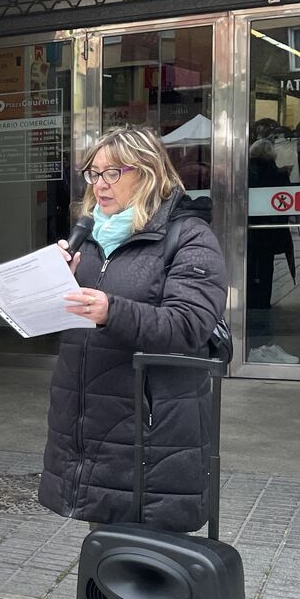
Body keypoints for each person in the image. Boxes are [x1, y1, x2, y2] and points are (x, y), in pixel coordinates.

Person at [40, 126, 227, 534]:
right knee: (106, 566)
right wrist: (55, 284)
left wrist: (111, 311)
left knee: (152, 570)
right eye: (93, 173)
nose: (99, 185)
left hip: (152, 432)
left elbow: (190, 324)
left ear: (147, 173)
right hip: (92, 429)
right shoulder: (88, 240)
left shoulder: (189, 237)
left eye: (112, 173)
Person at [246, 137, 297, 364]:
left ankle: (255, 332)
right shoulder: (277, 174)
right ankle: (260, 334)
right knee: (265, 274)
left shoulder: (246, 173)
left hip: (249, 234)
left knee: (250, 273)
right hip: (269, 234)